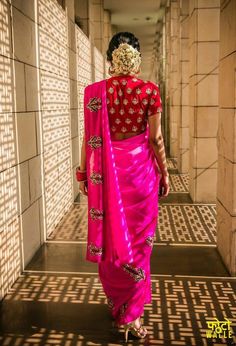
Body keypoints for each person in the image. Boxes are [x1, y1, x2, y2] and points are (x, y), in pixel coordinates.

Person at [76, 32, 170, 342]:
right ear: (137, 57)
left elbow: (87, 137)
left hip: (106, 180)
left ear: (109, 58)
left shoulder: (94, 93)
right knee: (139, 246)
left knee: (111, 243)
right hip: (140, 180)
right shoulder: (149, 92)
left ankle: (118, 304)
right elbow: (156, 140)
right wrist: (165, 173)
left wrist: (82, 174)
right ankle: (131, 316)